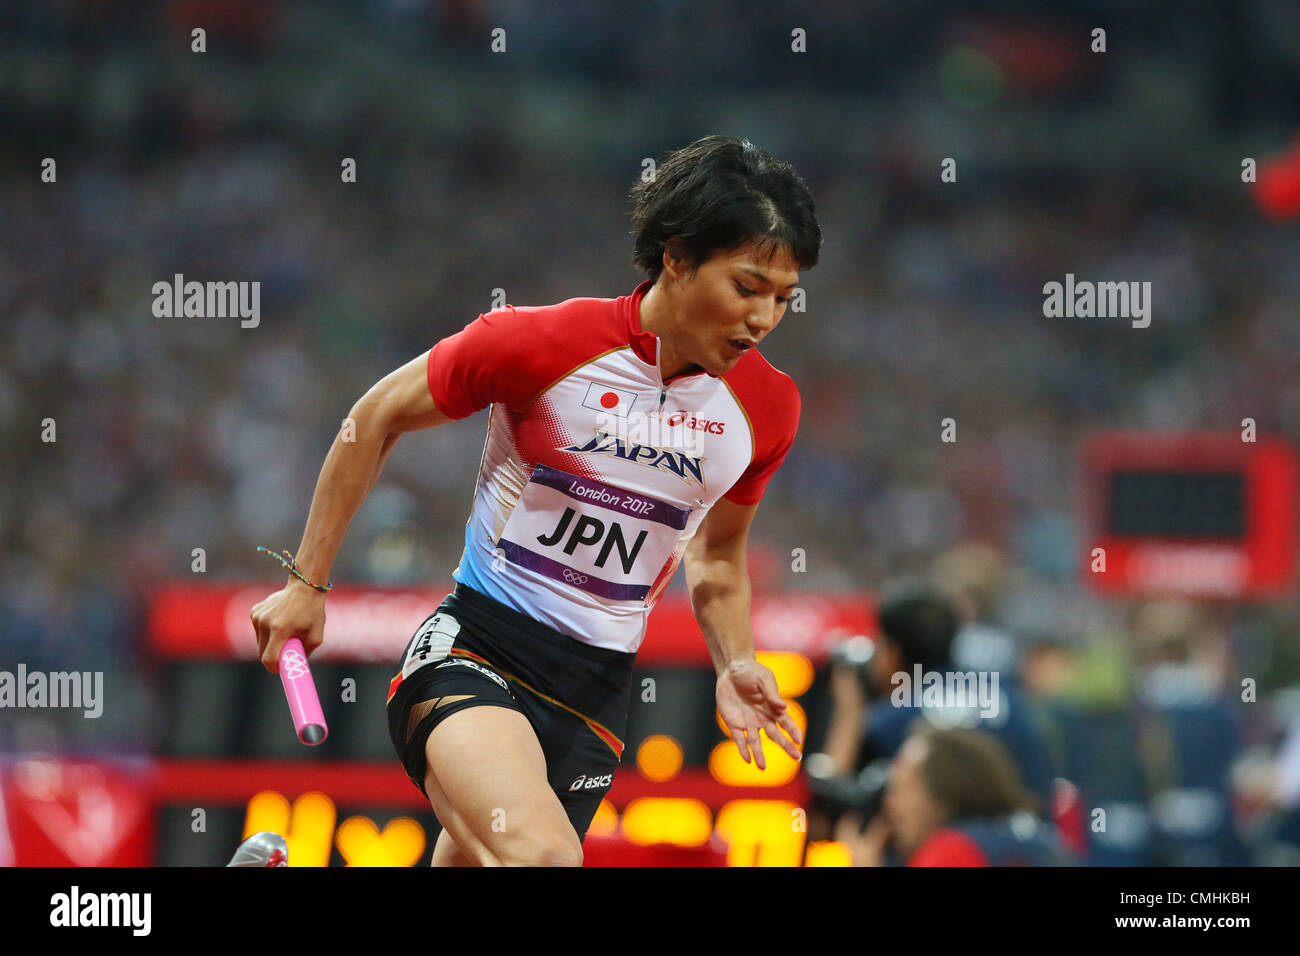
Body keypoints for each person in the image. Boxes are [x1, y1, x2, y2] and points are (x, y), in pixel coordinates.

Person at [249, 135, 822, 866]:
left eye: (783, 298)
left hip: (595, 696)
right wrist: (307, 582)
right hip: (477, 651)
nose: (764, 318)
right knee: (544, 858)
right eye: (747, 288)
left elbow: (717, 558)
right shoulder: (540, 344)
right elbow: (378, 413)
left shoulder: (767, 408)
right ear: (677, 259)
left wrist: (734, 660)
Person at [822, 577, 1059, 812]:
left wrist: (849, 714)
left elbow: (831, 804)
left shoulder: (889, 722)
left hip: (935, 849)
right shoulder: (1015, 704)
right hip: (1024, 846)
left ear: (892, 653)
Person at [836, 725, 1071, 866]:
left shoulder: (951, 852)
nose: (888, 803)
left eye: (902, 789)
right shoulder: (1042, 839)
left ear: (940, 795)